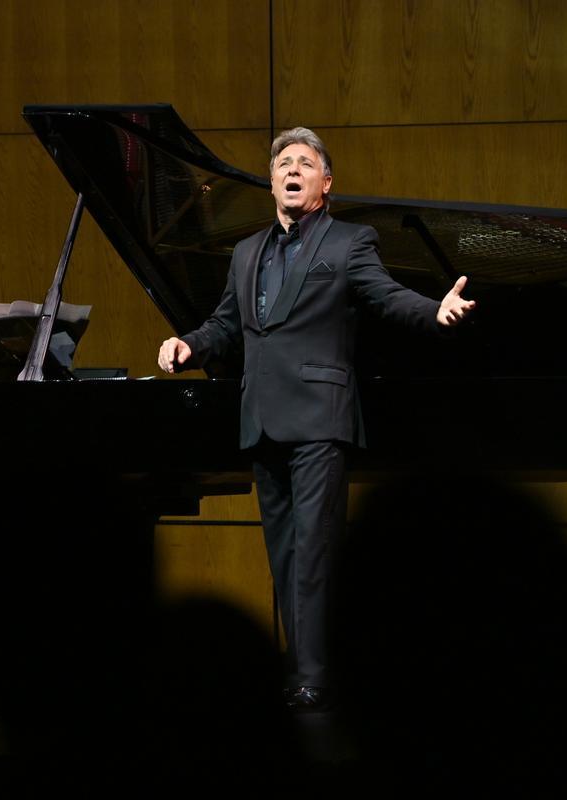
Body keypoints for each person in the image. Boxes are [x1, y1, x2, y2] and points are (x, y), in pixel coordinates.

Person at [157, 128, 475, 709]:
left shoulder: (350, 242)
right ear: (272, 181)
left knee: (316, 550)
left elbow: (386, 295)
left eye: (305, 162)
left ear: (325, 183)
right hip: (262, 419)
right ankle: (299, 669)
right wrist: (189, 345)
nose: (292, 169)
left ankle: (318, 676)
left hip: (320, 420)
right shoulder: (247, 251)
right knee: (283, 555)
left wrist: (436, 311)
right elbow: (226, 323)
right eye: (283, 163)